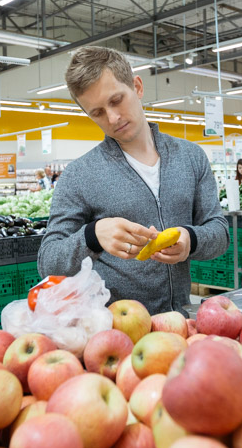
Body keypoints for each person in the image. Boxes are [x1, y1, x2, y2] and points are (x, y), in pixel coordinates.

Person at [39, 46, 229, 314]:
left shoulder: (190, 157)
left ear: (137, 87)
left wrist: (191, 239)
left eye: (116, 100)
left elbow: (220, 231)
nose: (112, 118)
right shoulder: (79, 175)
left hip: (181, 321)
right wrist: (92, 236)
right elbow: (48, 260)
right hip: (115, 330)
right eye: (97, 113)